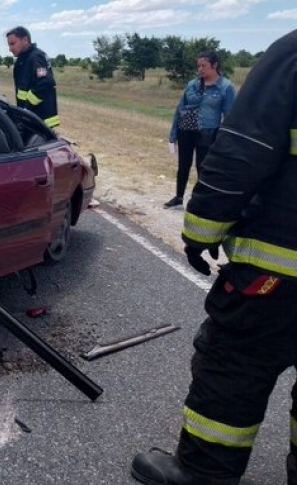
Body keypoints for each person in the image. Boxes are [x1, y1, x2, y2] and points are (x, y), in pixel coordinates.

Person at [130, 29, 297, 485]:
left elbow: (243, 151)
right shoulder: (193, 88)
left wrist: (201, 232)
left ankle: (203, 473)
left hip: (278, 278)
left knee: (234, 368)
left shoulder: (291, 55)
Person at [164, 52, 237, 209]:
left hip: (208, 132)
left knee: (203, 167)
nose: (200, 69)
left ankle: (199, 201)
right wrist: (173, 133)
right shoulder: (192, 84)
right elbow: (180, 108)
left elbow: (230, 116)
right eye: (198, 66)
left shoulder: (225, 87)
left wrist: (223, 138)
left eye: (204, 65)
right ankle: (178, 198)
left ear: (214, 65)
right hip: (186, 129)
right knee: (183, 165)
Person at [5, 26, 59, 129]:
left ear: (25, 40)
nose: (10, 49)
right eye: (9, 45)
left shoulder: (35, 57)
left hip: (39, 120)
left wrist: (27, 106)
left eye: (12, 44)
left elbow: (46, 82)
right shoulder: (23, 59)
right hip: (30, 118)